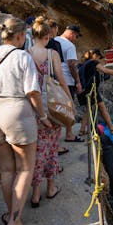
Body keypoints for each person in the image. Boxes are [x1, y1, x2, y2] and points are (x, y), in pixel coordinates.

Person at [0, 17, 52, 225]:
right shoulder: (22, 56)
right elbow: (33, 91)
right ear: (20, 35)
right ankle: (15, 221)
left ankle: (10, 213)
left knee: (7, 170)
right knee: (25, 169)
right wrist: (43, 116)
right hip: (16, 110)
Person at [27, 17, 72, 207]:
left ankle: (35, 193)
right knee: (52, 147)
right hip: (51, 107)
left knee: (36, 149)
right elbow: (61, 80)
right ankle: (50, 187)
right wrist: (69, 100)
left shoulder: (25, 53)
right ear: (47, 36)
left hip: (31, 107)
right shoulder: (52, 54)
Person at [78, 49, 113, 135]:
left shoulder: (83, 64)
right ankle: (112, 129)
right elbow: (105, 71)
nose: (99, 60)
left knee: (89, 109)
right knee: (102, 108)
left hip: (83, 91)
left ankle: (82, 130)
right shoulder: (93, 62)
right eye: (99, 58)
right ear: (95, 55)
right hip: (91, 90)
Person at [54, 24, 84, 142]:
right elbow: (72, 64)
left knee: (56, 107)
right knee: (68, 107)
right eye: (76, 36)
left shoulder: (54, 40)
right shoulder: (70, 45)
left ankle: (55, 136)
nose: (75, 39)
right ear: (71, 33)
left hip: (54, 79)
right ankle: (69, 134)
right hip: (67, 80)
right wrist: (77, 81)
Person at [44, 19, 68, 154]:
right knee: (55, 117)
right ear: (53, 28)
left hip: (35, 85)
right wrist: (66, 93)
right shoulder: (55, 44)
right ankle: (56, 147)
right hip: (51, 84)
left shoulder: (31, 45)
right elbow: (59, 69)